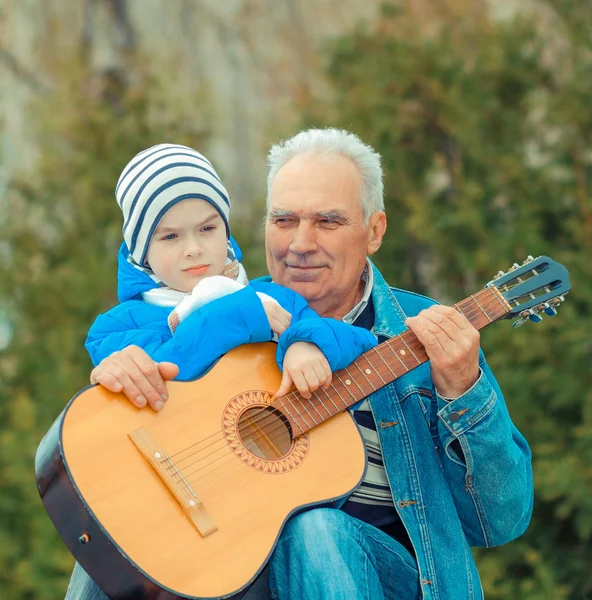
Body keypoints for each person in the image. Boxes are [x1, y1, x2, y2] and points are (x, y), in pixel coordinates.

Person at [67, 129, 533, 600]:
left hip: (385, 580)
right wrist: (127, 378)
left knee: (315, 530)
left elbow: (500, 520)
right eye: (284, 219)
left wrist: (463, 390)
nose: (301, 243)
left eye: (328, 221)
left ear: (374, 231)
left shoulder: (429, 337)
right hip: (239, 569)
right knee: (114, 547)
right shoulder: (234, 312)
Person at [85, 142, 377, 402]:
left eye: (207, 229)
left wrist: (308, 343)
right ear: (142, 252)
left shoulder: (273, 298)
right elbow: (169, 374)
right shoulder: (118, 326)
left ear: (226, 232)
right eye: (170, 237)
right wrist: (235, 314)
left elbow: (358, 339)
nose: (194, 249)